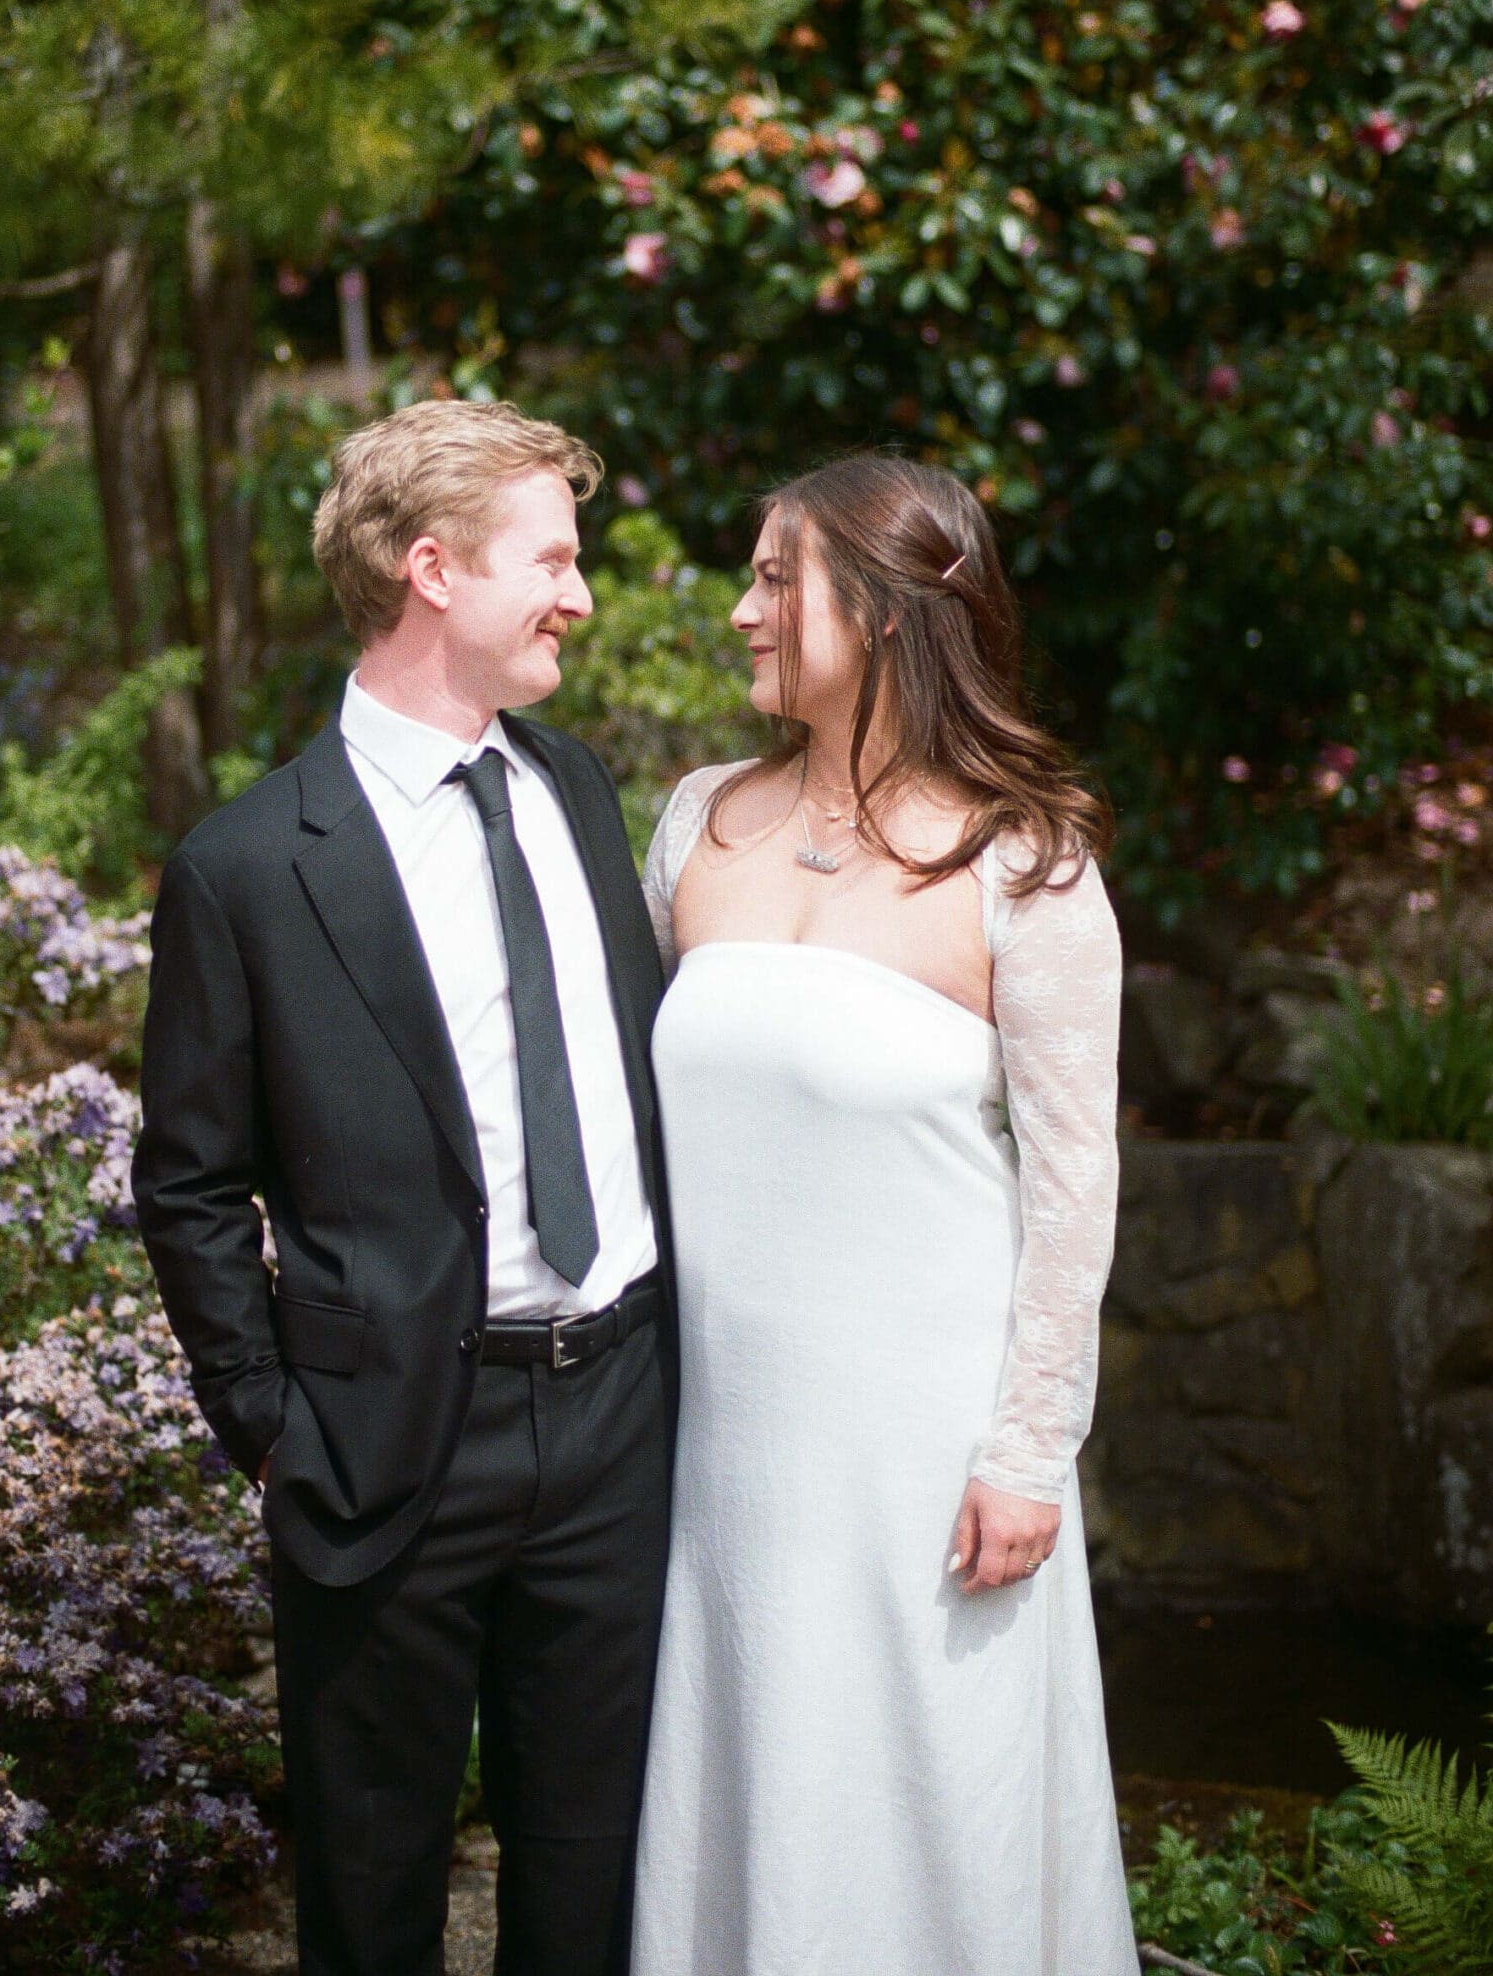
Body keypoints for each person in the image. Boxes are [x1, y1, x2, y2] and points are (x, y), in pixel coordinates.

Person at [133, 399, 673, 1976]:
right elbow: (189, 1182)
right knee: (369, 1900)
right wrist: (274, 1428)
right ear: (431, 569)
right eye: (552, 562)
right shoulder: (244, 865)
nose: (579, 596)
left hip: (619, 1421)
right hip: (383, 1458)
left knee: (589, 1887)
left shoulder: (575, 789)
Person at [631, 453, 1138, 1976]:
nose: (742, 611)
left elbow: (1072, 1186)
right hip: (717, 1438)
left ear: (893, 606)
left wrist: (1025, 1451)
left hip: (925, 1457)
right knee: (747, 1788)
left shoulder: (1025, 866)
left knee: (931, 1803)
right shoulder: (695, 825)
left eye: (778, 578)